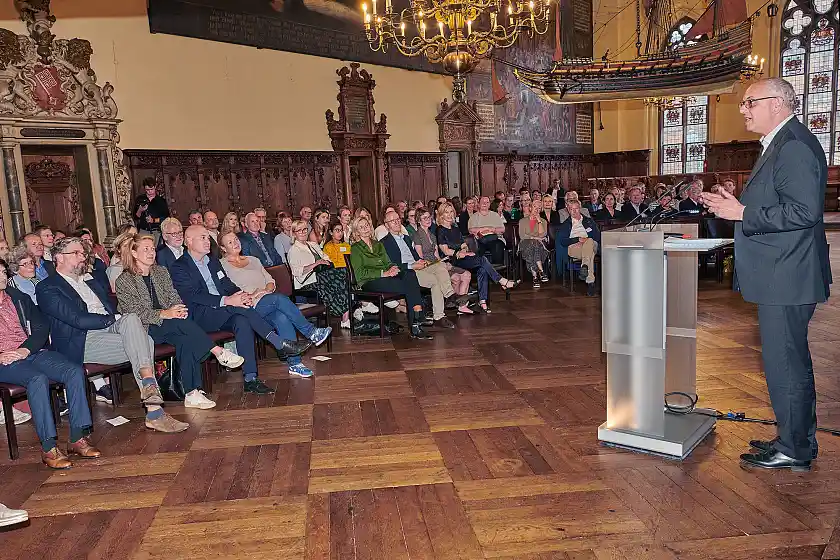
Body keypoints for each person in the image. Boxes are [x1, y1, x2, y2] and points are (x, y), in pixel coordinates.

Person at [701, 77, 831, 472]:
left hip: (787, 275)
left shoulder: (792, 146)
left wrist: (743, 214)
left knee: (785, 365)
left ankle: (795, 448)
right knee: (787, 362)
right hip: (784, 272)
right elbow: (783, 204)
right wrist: (739, 205)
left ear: (778, 103)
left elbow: (804, 212)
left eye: (749, 102)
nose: (743, 109)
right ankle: (794, 438)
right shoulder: (782, 143)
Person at [36, 237, 187, 433]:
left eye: (83, 253)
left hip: (110, 328)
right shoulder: (48, 287)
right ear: (58, 257)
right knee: (146, 342)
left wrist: (117, 317)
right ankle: (154, 409)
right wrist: (114, 318)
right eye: (76, 253)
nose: (82, 257)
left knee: (133, 319)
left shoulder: (91, 280)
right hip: (82, 339)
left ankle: (150, 390)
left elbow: (112, 307)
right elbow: (77, 320)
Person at [170, 225, 311, 393]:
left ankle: (250, 378)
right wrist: (228, 300)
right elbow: (193, 295)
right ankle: (279, 342)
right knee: (241, 310)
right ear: (189, 241)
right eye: (202, 238)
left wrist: (241, 295)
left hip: (223, 311)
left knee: (242, 321)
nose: (208, 241)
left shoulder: (212, 261)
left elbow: (226, 284)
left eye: (208, 238)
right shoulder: (179, 266)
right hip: (201, 314)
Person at [116, 234, 246, 408]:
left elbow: (173, 296)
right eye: (145, 249)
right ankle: (217, 351)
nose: (151, 253)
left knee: (186, 339)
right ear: (133, 252)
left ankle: (192, 393)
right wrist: (165, 313)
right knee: (181, 325)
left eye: (153, 249)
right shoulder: (124, 280)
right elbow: (134, 312)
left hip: (171, 323)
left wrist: (178, 310)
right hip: (144, 329)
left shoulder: (160, 271)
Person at [0, 259, 99, 469]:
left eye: (2, 271)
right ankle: (48, 447)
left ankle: (77, 437)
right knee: (37, 379)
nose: (1, 276)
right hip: (4, 359)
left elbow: (41, 327)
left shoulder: (18, 298)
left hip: (28, 351)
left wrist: (25, 349)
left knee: (74, 370)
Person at [219, 231, 331, 378]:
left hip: (266, 299)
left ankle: (295, 363)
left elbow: (270, 280)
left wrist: (264, 291)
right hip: (248, 307)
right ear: (222, 248)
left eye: (235, 239)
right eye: (230, 242)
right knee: (278, 299)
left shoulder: (253, 260)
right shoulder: (222, 266)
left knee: (281, 318)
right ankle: (311, 332)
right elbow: (225, 290)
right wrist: (253, 295)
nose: (235, 243)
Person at [350, 216, 434, 339]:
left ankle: (417, 321)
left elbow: (388, 262)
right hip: (369, 281)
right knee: (409, 285)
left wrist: (393, 268)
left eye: (367, 225)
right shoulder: (355, 248)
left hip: (385, 277)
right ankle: (417, 321)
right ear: (357, 232)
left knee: (410, 274)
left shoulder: (377, 244)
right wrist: (383, 273)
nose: (365, 229)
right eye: (361, 227)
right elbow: (359, 273)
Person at [436, 202, 518, 313]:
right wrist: (460, 253)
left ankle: (483, 300)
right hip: (451, 261)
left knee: (482, 268)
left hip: (462, 258)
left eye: (451, 212)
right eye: (446, 212)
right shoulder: (440, 230)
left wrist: (465, 250)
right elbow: (445, 250)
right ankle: (502, 281)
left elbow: (463, 244)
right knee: (482, 260)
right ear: (441, 215)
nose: (450, 215)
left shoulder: (455, 228)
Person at [382, 210, 456, 329]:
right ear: (386, 225)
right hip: (406, 272)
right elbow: (391, 265)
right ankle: (439, 315)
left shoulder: (406, 238)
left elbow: (414, 255)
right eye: (392, 221)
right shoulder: (385, 242)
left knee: (440, 266)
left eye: (397, 219)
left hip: (417, 266)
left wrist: (420, 260)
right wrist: (412, 266)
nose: (396, 222)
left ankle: (450, 295)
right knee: (434, 281)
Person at [287, 220, 351, 328]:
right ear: (294, 233)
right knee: (340, 275)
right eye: (299, 230)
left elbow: (325, 257)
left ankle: (345, 315)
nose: (303, 232)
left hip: (321, 275)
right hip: (307, 280)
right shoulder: (293, 250)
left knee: (343, 275)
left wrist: (324, 261)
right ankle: (344, 312)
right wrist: (315, 264)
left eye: (305, 229)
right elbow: (296, 272)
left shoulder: (312, 244)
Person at [413, 208, 472, 315]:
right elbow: (420, 258)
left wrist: (442, 262)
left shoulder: (432, 235)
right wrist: (439, 264)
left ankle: (458, 303)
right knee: (455, 277)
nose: (428, 220)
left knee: (465, 274)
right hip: (427, 266)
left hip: (437, 264)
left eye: (429, 217)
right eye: (424, 218)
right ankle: (451, 298)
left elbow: (436, 255)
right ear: (418, 221)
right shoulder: (417, 235)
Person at [557, 200, 600, 296]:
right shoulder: (566, 224)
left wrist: (586, 240)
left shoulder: (589, 221)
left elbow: (597, 236)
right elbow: (563, 241)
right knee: (590, 254)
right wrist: (577, 240)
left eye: (576, 208)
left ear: (580, 208)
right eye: (571, 209)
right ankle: (590, 282)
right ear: (568, 210)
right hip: (574, 247)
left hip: (589, 245)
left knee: (589, 242)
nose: (574, 211)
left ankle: (585, 269)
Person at [519, 196, 550, 287]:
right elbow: (522, 236)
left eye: (539, 208)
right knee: (533, 244)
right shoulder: (522, 221)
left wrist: (539, 221)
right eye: (535, 207)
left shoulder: (543, 221)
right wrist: (535, 238)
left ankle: (535, 277)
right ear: (530, 208)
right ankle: (541, 271)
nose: (537, 209)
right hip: (524, 244)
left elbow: (542, 235)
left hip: (539, 246)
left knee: (534, 247)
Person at [468, 196, 507, 264]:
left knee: (498, 245)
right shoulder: (473, 217)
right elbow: (471, 230)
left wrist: (493, 229)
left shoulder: (495, 215)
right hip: (480, 240)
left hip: (494, 239)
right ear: (478, 204)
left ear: (489, 204)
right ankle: (481, 269)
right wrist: (486, 229)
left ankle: (496, 270)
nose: (484, 204)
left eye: (487, 202)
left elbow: (502, 229)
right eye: (482, 202)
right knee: (476, 247)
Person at [132, 178, 169, 243]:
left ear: (155, 187)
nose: (150, 192)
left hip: (156, 231)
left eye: (152, 189)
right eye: (147, 190)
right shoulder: (140, 199)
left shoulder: (161, 201)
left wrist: (153, 220)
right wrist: (140, 210)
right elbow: (135, 217)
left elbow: (166, 218)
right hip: (143, 230)